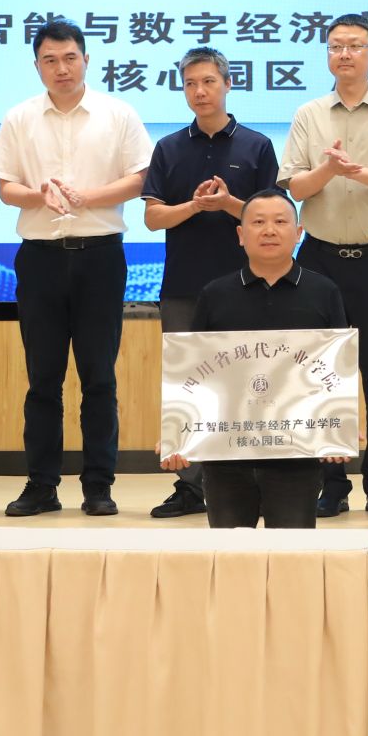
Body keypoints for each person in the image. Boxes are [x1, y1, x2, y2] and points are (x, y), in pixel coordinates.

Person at [0, 19, 152, 518]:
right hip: (39, 258)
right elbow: (6, 189)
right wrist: (39, 195)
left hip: (101, 256)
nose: (61, 68)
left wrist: (87, 198)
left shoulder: (118, 113)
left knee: (99, 377)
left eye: (69, 58)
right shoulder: (19, 117)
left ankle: (98, 486)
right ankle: (41, 485)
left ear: (86, 60)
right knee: (43, 379)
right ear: (37, 65)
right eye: (50, 60)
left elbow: (140, 178)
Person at [280, 15, 368, 521]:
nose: (344, 54)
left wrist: (359, 172)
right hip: (319, 261)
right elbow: (294, 187)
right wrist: (329, 169)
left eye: (355, 46)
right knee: (321, 375)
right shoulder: (308, 114)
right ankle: (331, 483)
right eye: (335, 46)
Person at [140, 46, 278, 518]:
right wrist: (196, 206)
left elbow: (271, 217)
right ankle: (190, 487)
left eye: (208, 82)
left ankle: (254, 479)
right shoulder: (169, 147)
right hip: (184, 285)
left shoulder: (257, 145)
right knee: (188, 385)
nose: (199, 92)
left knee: (251, 380)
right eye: (190, 84)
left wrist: (230, 204)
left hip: (248, 285)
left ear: (228, 84)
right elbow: (153, 218)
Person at [159, 189, 350, 528]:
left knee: (292, 554)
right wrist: (175, 432)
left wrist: (340, 427)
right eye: (258, 222)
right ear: (240, 234)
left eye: (280, 222)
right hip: (226, 459)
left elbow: (335, 373)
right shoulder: (215, 294)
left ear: (299, 232)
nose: (269, 230)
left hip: (296, 459)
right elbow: (195, 375)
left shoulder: (324, 292)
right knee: (230, 556)